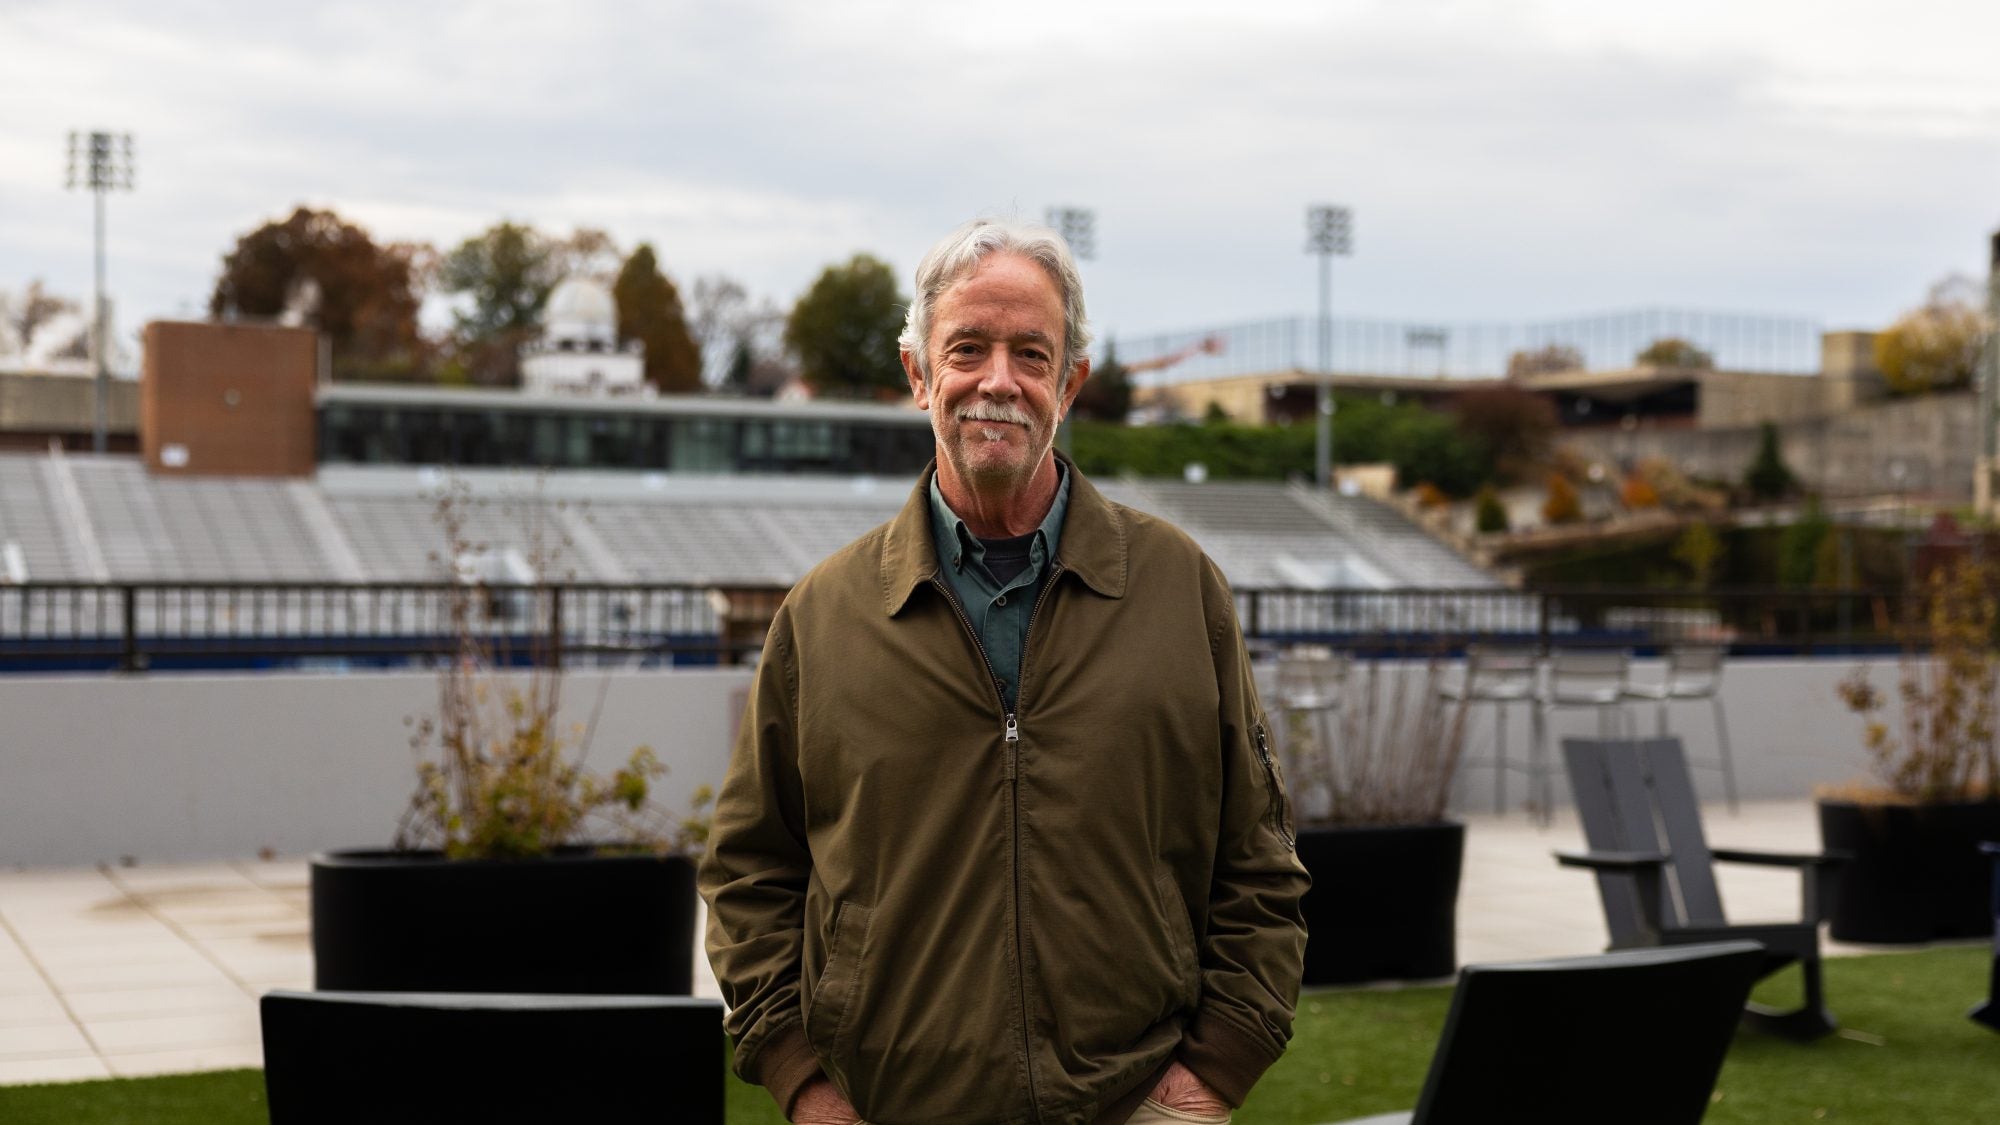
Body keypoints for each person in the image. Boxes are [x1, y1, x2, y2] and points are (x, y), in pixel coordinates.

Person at [699, 218, 1309, 1125]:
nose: (998, 381)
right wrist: (805, 1084)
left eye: (1032, 353)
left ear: (1071, 383)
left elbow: (1258, 863)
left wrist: (1208, 1078)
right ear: (918, 375)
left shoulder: (1182, 590)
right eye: (967, 348)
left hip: (1136, 1108)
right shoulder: (822, 616)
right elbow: (751, 873)